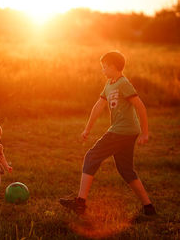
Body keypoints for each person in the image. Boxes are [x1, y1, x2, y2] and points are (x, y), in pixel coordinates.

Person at [59, 51, 156, 215]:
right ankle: (149, 207)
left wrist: (145, 133)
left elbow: (140, 107)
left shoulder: (124, 83)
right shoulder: (110, 84)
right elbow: (98, 106)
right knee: (126, 170)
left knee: (91, 157)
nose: (103, 70)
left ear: (113, 67)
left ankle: (80, 203)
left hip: (122, 131)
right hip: (125, 131)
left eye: (104, 67)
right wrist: (87, 129)